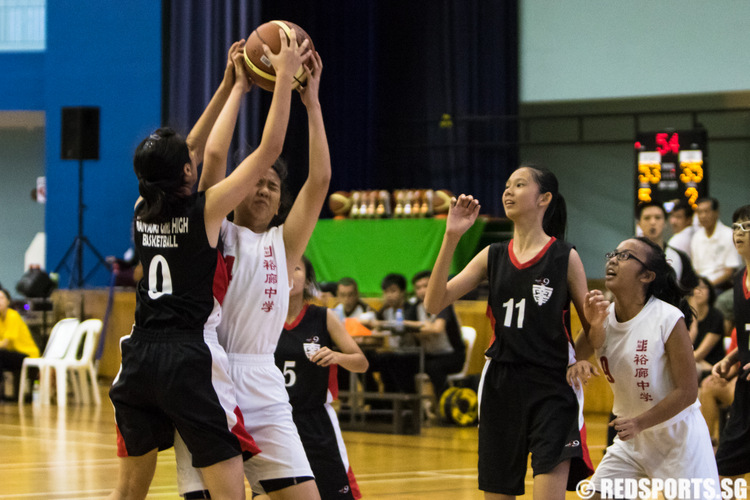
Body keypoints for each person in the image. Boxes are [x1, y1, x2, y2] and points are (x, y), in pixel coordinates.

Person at [107, 34, 304, 500]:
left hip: (137, 356)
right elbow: (268, 151)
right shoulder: (206, 212)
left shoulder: (140, 207)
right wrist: (280, 79)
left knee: (128, 493)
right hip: (188, 358)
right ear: (187, 175)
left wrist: (231, 87)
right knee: (229, 492)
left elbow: (190, 152)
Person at [177, 43, 328, 500]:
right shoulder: (214, 229)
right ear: (237, 190)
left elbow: (319, 182)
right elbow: (216, 156)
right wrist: (238, 87)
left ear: (282, 201)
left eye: (273, 185)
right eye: (256, 181)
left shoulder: (283, 245)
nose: (263, 189)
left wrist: (312, 102)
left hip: (263, 380)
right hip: (206, 374)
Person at [424, 165, 593, 499]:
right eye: (506, 185)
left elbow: (594, 331)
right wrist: (451, 236)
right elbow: (434, 301)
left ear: (544, 198)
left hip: (552, 386)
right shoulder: (493, 255)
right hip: (502, 384)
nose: (508, 191)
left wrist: (581, 359)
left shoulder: (565, 257)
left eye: (519, 184)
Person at [573, 237, 718, 499]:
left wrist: (640, 422)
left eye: (626, 256)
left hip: (679, 439)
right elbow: (573, 360)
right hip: (633, 442)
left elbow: (688, 391)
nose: (613, 260)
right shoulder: (602, 318)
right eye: (613, 253)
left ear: (647, 275)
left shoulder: (667, 317)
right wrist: (590, 330)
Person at [275, 256, 367, 500]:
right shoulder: (264, 317)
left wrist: (337, 356)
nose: (290, 274)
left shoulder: (323, 317)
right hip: (275, 419)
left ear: (307, 280)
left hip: (315, 419)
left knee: (337, 491)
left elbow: (362, 362)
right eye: (284, 267)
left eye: (296, 268)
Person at [712, 204, 750, 484]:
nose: (740, 233)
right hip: (746, 384)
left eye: (747, 227)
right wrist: (731, 358)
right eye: (736, 227)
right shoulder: (739, 279)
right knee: (726, 461)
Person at [409, 270, 465, 398]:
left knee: (433, 367)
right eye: (418, 288)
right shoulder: (414, 307)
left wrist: (414, 326)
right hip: (429, 355)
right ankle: (411, 407)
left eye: (426, 286)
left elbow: (437, 329)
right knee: (402, 363)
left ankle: (445, 403)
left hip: (452, 356)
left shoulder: (444, 303)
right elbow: (405, 327)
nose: (422, 291)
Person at [637, 201, 698, 289]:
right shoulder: (630, 257)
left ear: (665, 222)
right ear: (639, 224)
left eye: (658, 217)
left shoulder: (679, 257)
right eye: (647, 218)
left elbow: (690, 290)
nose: (653, 222)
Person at [691, 197, 742, 293]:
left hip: (723, 286)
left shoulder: (729, 235)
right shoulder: (696, 237)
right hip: (702, 286)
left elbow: (729, 272)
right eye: (699, 212)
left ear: (716, 213)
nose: (703, 216)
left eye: (706, 211)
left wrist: (708, 287)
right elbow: (696, 270)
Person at [0, 288, 39, 401]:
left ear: (8, 301)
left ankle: (2, 391)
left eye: (2, 298)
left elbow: (5, 343)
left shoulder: (13, 316)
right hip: (11, 354)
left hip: (27, 354)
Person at [688, 276, 726, 377]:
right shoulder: (683, 316)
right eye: (694, 288)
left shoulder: (716, 316)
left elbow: (700, 354)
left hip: (711, 366)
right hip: (691, 362)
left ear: (710, 291)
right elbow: (686, 344)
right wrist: (693, 315)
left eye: (702, 287)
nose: (697, 291)